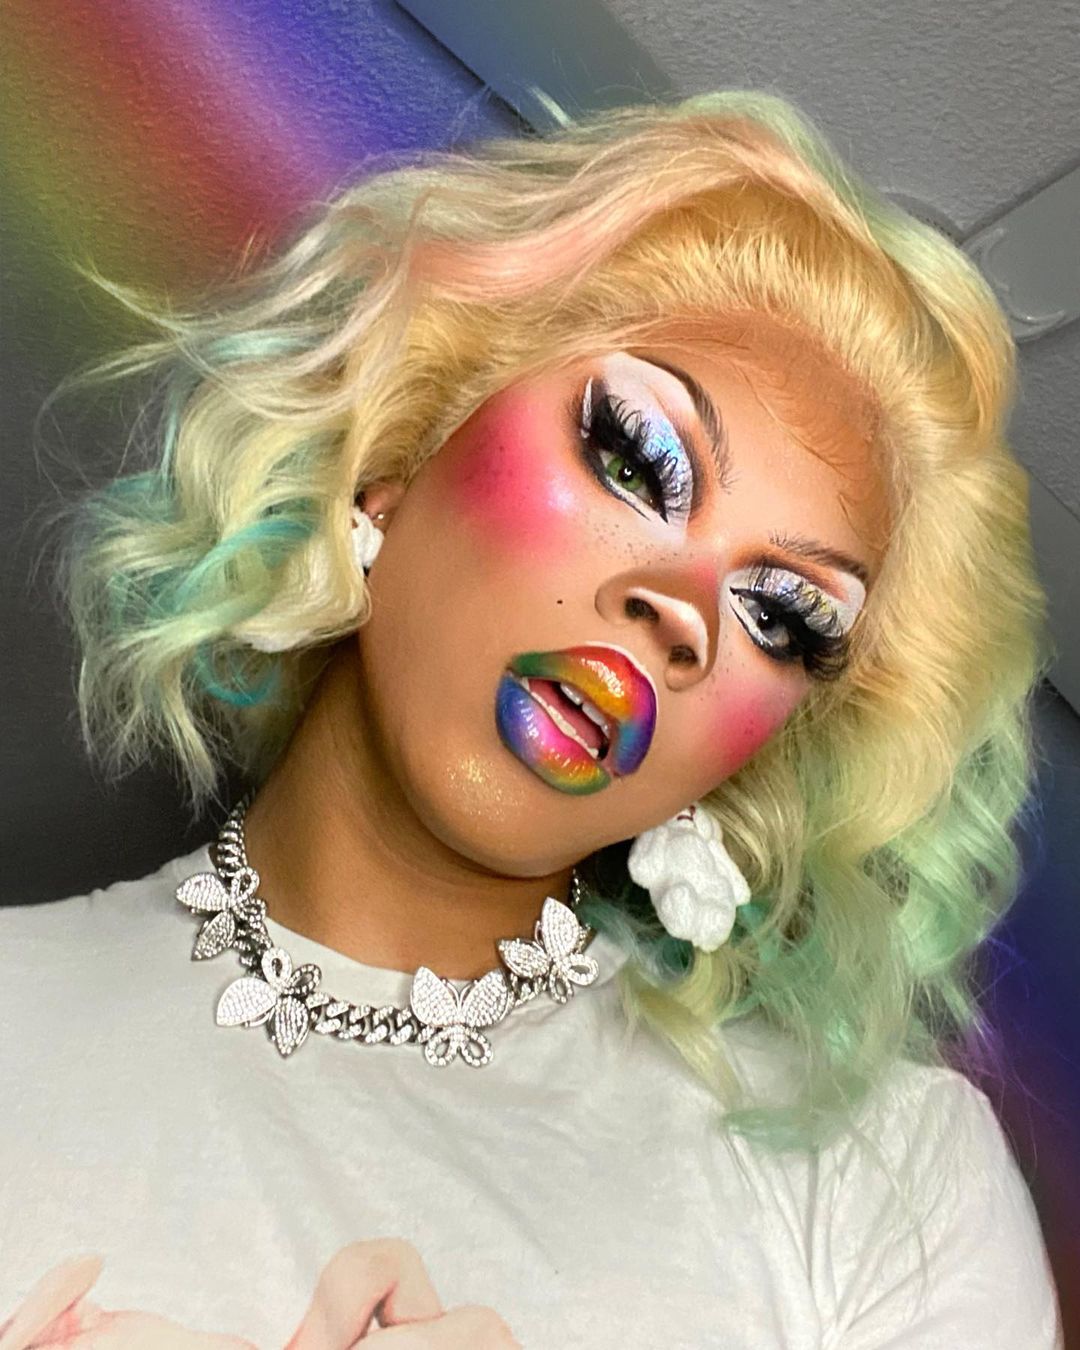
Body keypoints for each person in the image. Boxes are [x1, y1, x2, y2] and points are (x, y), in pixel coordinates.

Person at [1, 89, 1064, 1349]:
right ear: (397, 459)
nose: (686, 615)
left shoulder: (890, 1192)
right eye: (636, 461)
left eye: (782, 617)